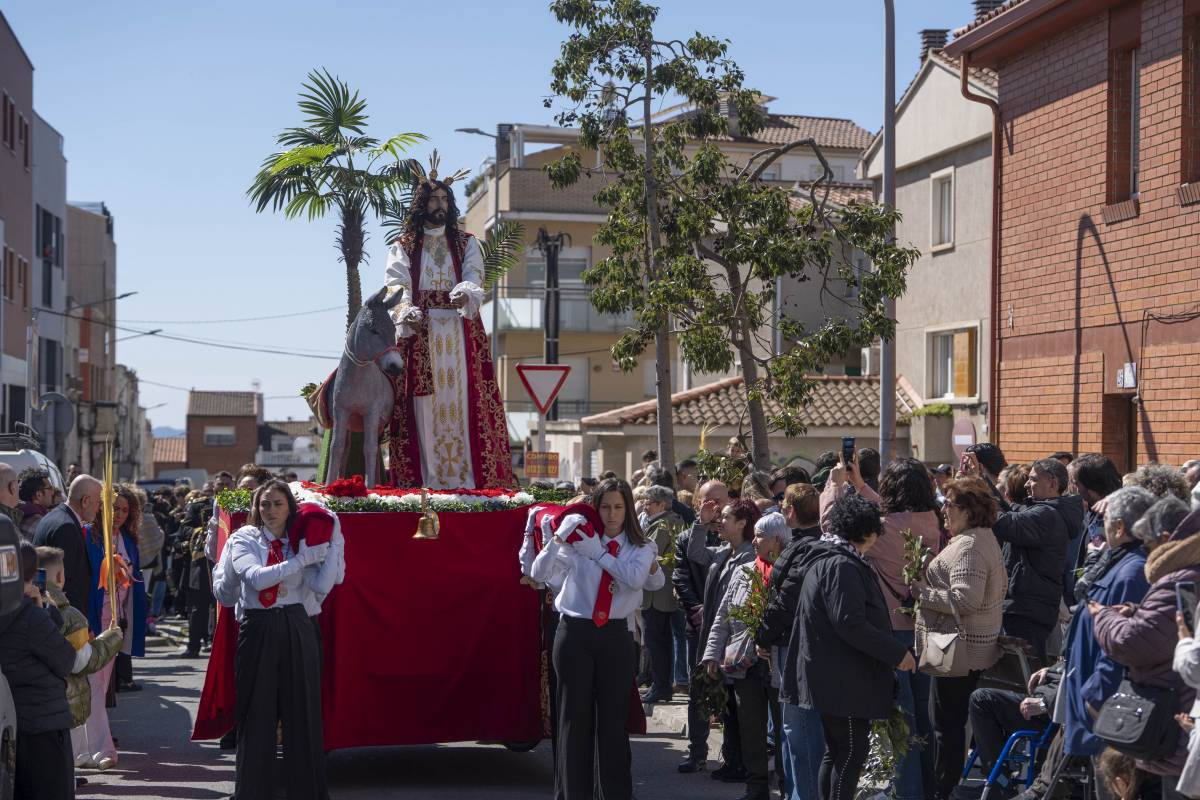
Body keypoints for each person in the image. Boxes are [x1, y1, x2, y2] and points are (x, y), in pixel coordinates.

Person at [384, 165, 513, 489]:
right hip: (421, 334)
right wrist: (405, 310)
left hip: (459, 335)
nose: (439, 204)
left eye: (444, 199)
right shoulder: (404, 245)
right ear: (422, 204)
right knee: (423, 407)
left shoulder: (465, 243)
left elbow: (474, 274)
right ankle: (427, 482)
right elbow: (396, 283)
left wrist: (466, 292)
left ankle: (466, 481)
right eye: (433, 199)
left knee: (465, 403)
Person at [824, 456, 944, 800]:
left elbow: (833, 525)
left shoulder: (884, 528)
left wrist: (836, 485)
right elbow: (890, 517)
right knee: (923, 716)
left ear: (891, 488)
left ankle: (907, 792)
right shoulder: (932, 521)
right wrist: (861, 486)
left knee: (901, 719)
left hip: (890, 631)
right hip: (924, 628)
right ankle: (927, 788)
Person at [530, 478, 657, 800]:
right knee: (574, 721)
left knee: (613, 723)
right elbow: (538, 574)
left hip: (616, 635)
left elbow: (634, 579)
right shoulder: (579, 539)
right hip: (575, 632)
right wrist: (557, 538)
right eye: (605, 507)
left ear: (628, 509)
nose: (612, 514)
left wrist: (598, 553)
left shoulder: (641, 546)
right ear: (595, 509)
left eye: (618, 507)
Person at [1029, 486, 1156, 800]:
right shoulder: (1120, 564)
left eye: (1105, 520)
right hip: (1100, 714)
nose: (1098, 529)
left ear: (1120, 527)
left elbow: (1121, 645)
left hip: (1111, 717)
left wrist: (1094, 697)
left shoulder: (1132, 573)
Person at [794, 493, 913, 800]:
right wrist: (897, 653)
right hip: (842, 679)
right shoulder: (841, 565)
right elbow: (850, 623)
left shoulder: (831, 558)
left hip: (833, 675)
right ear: (866, 532)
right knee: (850, 751)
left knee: (837, 751)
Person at [227, 480, 338, 800]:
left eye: (278, 504)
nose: (270, 510)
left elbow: (324, 584)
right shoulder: (245, 538)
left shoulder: (301, 537)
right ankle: (252, 792)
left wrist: (337, 537)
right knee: (256, 711)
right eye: (264, 504)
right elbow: (256, 578)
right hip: (259, 625)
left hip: (296, 622)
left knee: (302, 711)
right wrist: (301, 560)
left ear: (290, 507)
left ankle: (307, 792)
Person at [1092, 495, 1196, 791]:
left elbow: (1134, 641)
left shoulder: (1179, 578)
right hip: (1174, 722)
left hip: (1170, 724)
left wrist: (1104, 617)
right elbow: (1169, 628)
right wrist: (1136, 611)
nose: (1145, 554)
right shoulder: (1185, 574)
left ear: (1164, 538)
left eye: (1148, 545)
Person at [914, 476, 1008, 800]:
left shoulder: (970, 546)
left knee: (946, 726)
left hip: (956, 646)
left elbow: (966, 599)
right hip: (957, 644)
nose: (943, 509)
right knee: (948, 724)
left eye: (949, 504)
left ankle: (945, 791)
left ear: (968, 510)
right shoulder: (977, 539)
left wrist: (922, 593)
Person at [704, 512, 790, 800]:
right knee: (751, 729)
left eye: (760, 536)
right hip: (744, 665)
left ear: (777, 540)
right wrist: (712, 654)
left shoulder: (791, 573)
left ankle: (787, 787)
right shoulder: (743, 572)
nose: (754, 540)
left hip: (779, 665)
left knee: (784, 732)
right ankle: (756, 787)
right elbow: (723, 617)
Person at [963, 455, 1081, 662]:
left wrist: (977, 490)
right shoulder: (1043, 510)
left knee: (1024, 671)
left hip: (1027, 610)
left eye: (1033, 479)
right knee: (1017, 670)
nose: (1027, 484)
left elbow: (1005, 522)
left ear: (1052, 483)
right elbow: (1007, 511)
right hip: (1026, 608)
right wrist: (980, 480)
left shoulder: (1047, 515)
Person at [757, 483, 826, 800]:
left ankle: (804, 794)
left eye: (784, 504)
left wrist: (763, 634)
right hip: (795, 643)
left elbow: (786, 601)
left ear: (791, 511)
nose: (781, 508)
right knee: (794, 730)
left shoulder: (804, 548)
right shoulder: (805, 544)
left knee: (800, 731)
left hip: (795, 645)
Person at [684, 494, 759, 781]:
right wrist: (701, 523)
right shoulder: (726, 551)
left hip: (733, 639)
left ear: (742, 523)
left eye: (726, 517)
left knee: (735, 707)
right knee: (722, 702)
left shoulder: (749, 556)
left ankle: (737, 762)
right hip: (715, 633)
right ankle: (727, 759)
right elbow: (695, 553)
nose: (721, 521)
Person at [1, 539, 77, 800]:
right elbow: (66, 660)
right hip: (42, 720)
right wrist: (45, 610)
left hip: (10, 720)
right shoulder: (29, 616)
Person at [38, 546, 123, 767]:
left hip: (33, 701)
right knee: (64, 756)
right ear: (60, 577)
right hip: (67, 701)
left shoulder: (21, 608)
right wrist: (111, 639)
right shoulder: (70, 617)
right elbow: (82, 661)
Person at [673, 479, 732, 773]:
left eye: (721, 501)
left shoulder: (735, 537)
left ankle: (733, 756)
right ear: (698, 504)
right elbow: (680, 578)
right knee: (698, 689)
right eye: (710, 502)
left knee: (730, 690)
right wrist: (697, 609)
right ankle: (697, 751)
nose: (716, 508)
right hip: (697, 625)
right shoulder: (687, 538)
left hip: (730, 627)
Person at [34, 475, 102, 617]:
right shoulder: (67, 527)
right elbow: (67, 584)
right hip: (62, 618)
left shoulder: (55, 516)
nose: (99, 509)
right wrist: (78, 623)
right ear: (85, 501)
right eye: (98, 503)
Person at [640, 484, 683, 704]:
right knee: (659, 641)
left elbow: (648, 552)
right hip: (660, 592)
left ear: (662, 504)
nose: (645, 507)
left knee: (655, 642)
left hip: (657, 594)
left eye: (648, 503)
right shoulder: (667, 521)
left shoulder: (664, 524)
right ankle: (661, 684)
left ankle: (661, 686)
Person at [17, 467, 54, 542]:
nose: (53, 492)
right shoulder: (41, 524)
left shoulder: (16, 514)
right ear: (38, 495)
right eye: (50, 488)